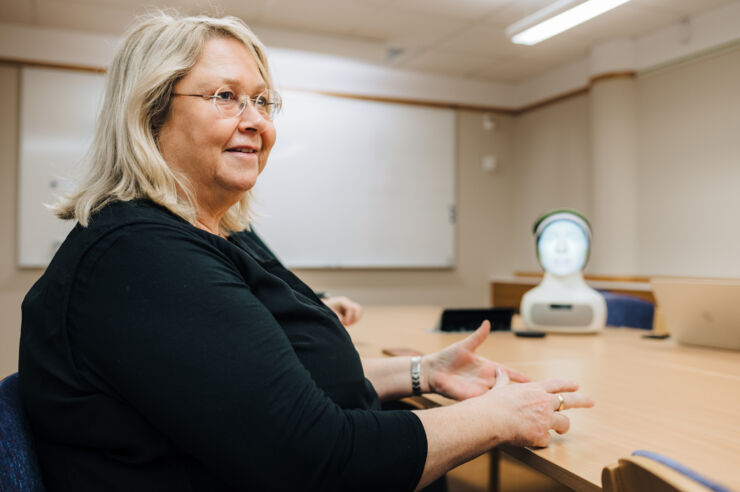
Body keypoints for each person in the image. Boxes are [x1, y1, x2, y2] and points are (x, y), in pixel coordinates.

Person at [18, 12, 594, 492]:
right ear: (149, 113)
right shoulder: (141, 257)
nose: (256, 123)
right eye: (226, 97)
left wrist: (422, 371)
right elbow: (319, 464)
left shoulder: (216, 232)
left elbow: (266, 381)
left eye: (264, 102)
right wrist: (497, 417)